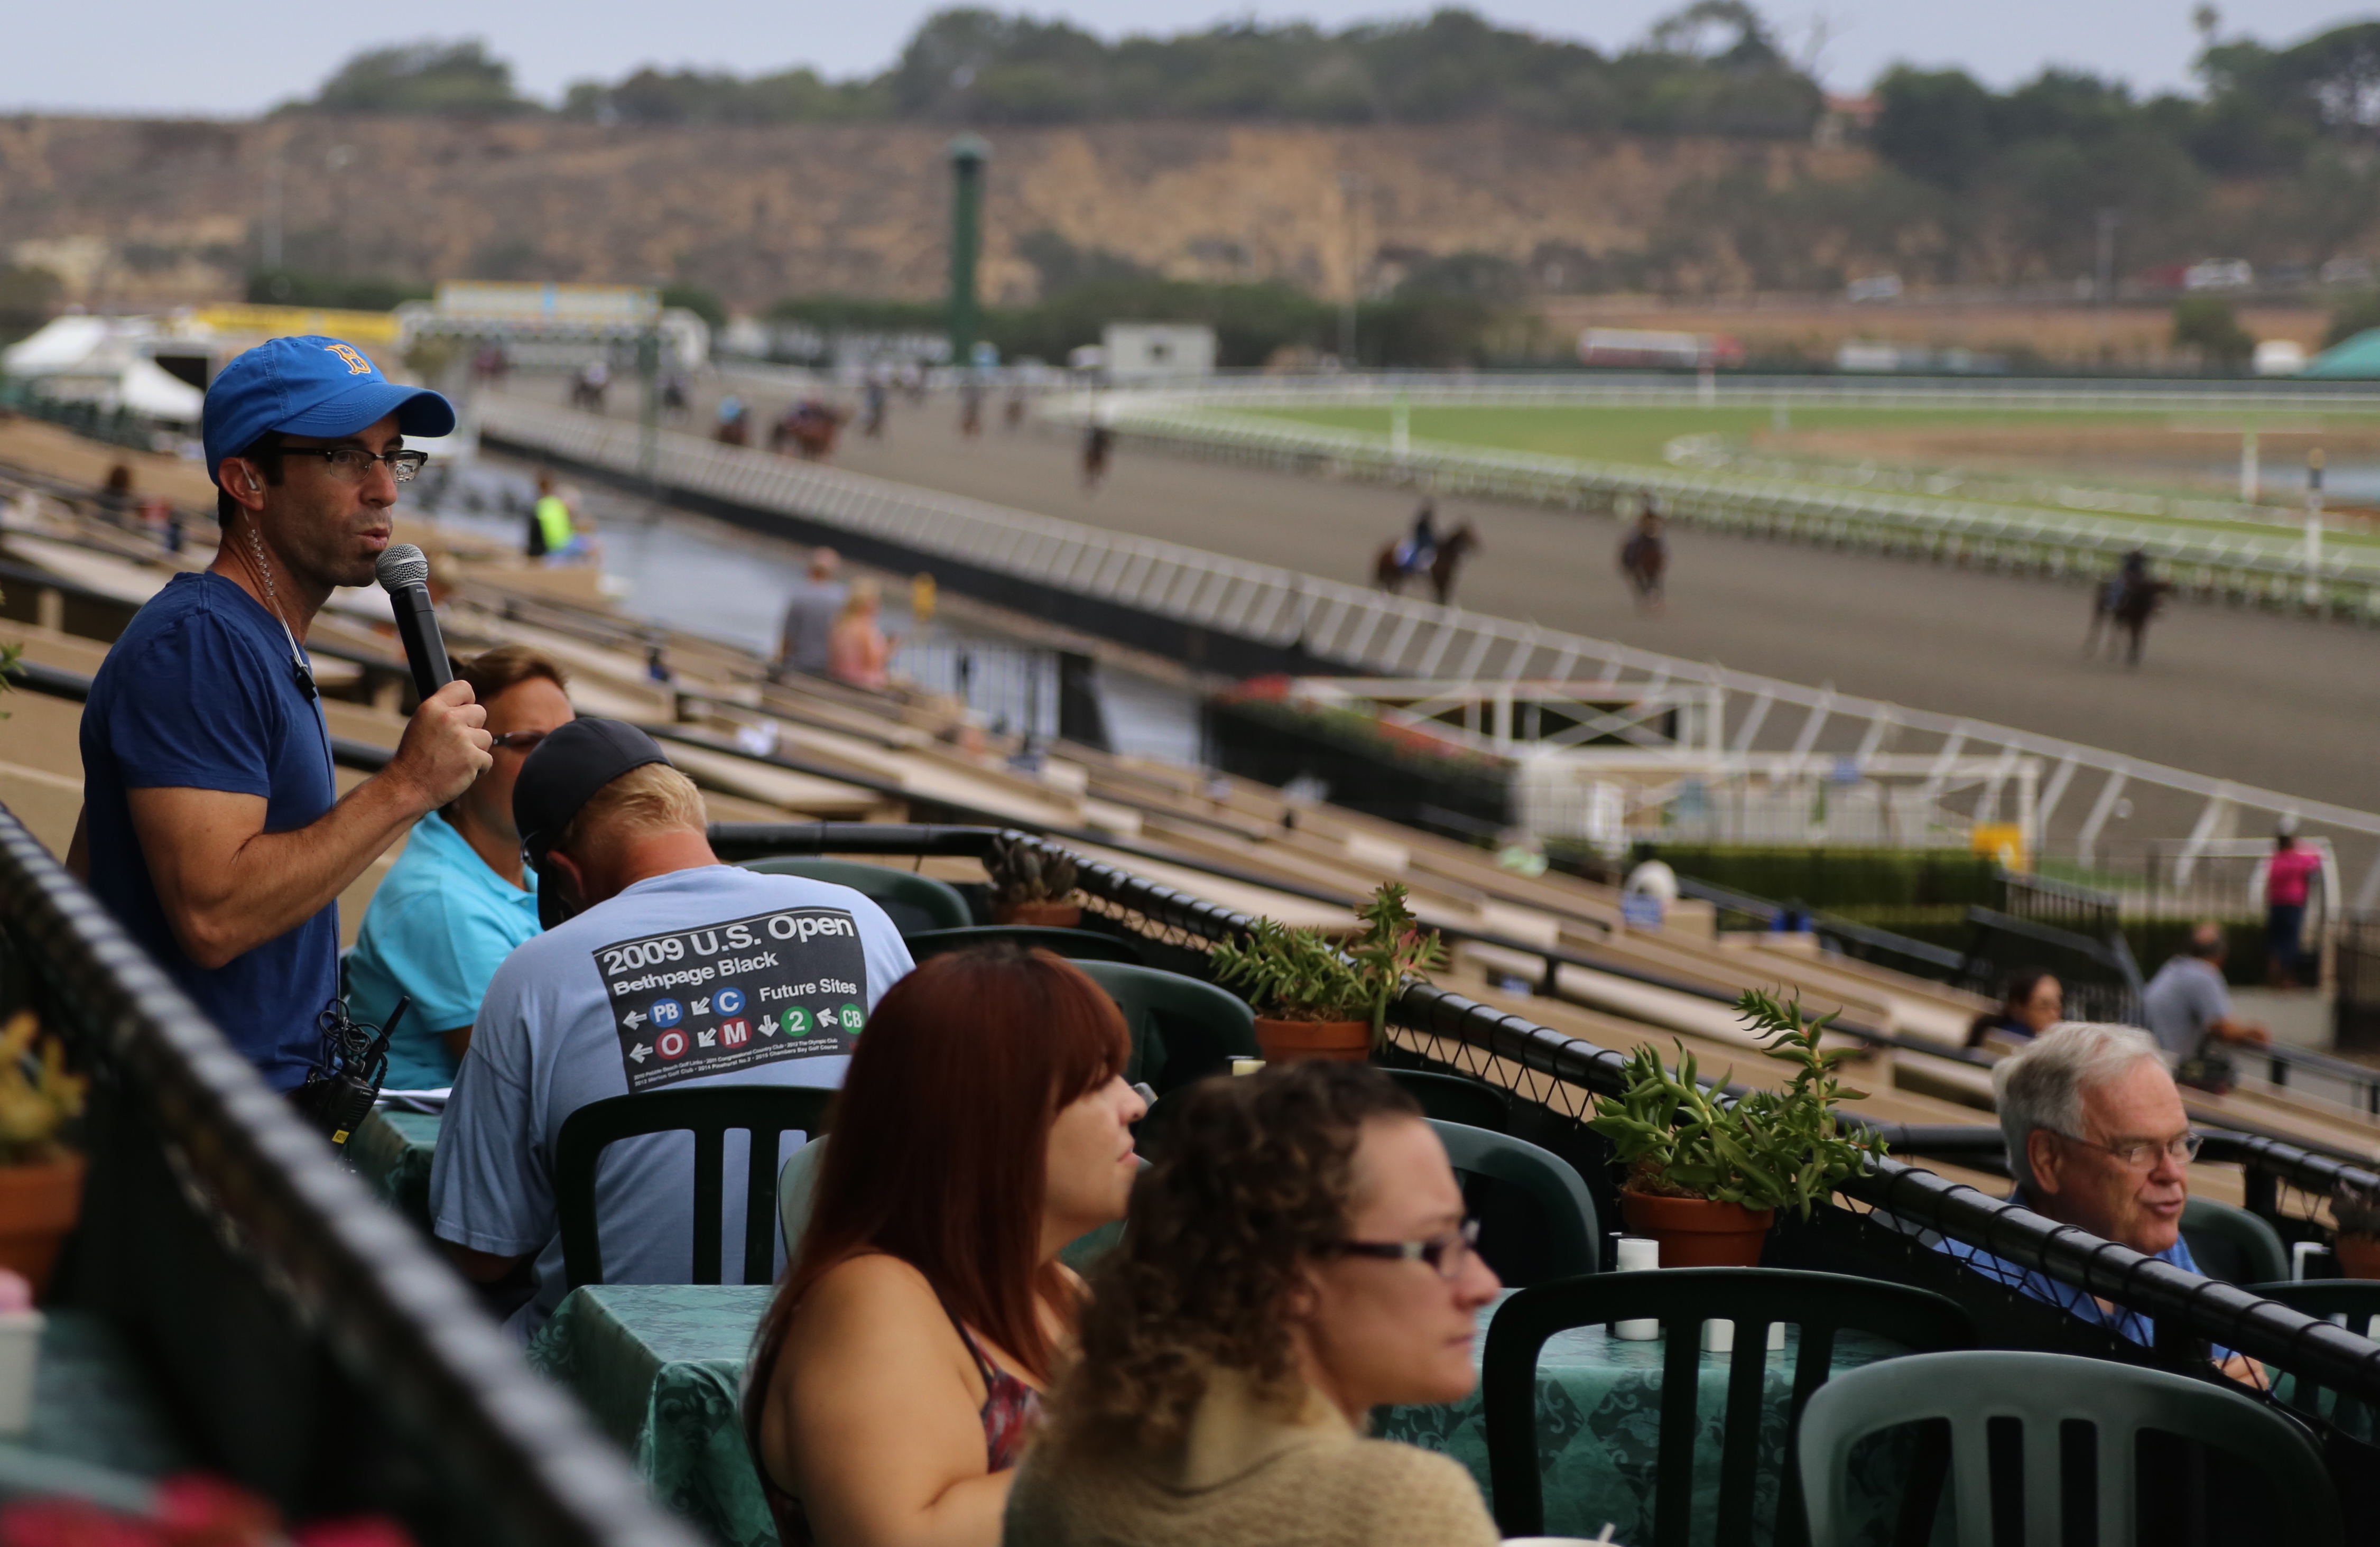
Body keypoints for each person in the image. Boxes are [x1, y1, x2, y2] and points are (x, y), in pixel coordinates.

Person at [69, 335, 489, 1091]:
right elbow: (214, 916)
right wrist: (409, 784)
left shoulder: (261, 643)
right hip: (204, 1130)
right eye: (344, 457)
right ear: (248, 479)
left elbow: (94, 861)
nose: (386, 490)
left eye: (391, 456)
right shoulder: (200, 644)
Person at [430, 720, 913, 1338]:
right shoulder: (862, 922)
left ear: (566, 876)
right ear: (690, 817)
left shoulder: (536, 975)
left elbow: (482, 1250)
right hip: (835, 1344)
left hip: (610, 1371)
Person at [1007, 1062, 1503, 1547]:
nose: (1482, 1284)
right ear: (1292, 1277)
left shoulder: (1061, 1468)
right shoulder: (1401, 1509)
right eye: (1436, 1246)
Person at [745, 947, 1145, 1547]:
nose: (1135, 1102)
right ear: (994, 1114)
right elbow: (904, 1537)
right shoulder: (876, 1299)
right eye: (1097, 1079)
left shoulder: (1057, 1288)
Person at [1938, 1022, 2258, 1385]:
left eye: (2179, 1143)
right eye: (2137, 1150)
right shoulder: (1969, 1289)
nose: (2171, 1173)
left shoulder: (2157, 1244)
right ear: (2048, 1159)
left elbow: (2234, 1365)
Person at [345, 647, 576, 1090]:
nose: (557, 765)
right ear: (465, 755)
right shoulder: (443, 903)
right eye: (528, 742)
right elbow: (533, 1085)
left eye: (567, 742)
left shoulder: (528, 871)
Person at [2141, 922, 2270, 1072]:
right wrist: (2252, 1032)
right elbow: (2222, 1029)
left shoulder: (2175, 966)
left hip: (2151, 1054)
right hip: (2169, 1063)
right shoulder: (2204, 974)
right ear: (2221, 955)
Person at [773, 547, 848, 679]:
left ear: (811, 569)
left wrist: (781, 663)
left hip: (801, 664)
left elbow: (788, 638)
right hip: (829, 668)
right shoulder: (842, 597)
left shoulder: (800, 595)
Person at [2263, 821, 2322, 989]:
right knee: (2290, 941)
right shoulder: (2299, 860)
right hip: (2294, 904)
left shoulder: (2276, 860)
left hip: (2277, 903)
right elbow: (2317, 858)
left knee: (2276, 941)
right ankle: (2287, 977)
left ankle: (2273, 975)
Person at [1964, 968, 2062, 1050]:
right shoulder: (2004, 1040)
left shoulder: (2053, 1046)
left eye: (2057, 1006)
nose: (2053, 1015)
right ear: (2018, 1007)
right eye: (2044, 1006)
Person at [829, 578, 895, 691]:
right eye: (875, 601)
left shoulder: (842, 623)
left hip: (839, 676)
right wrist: (890, 649)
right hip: (859, 684)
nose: (878, 605)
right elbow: (872, 663)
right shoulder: (865, 629)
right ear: (865, 603)